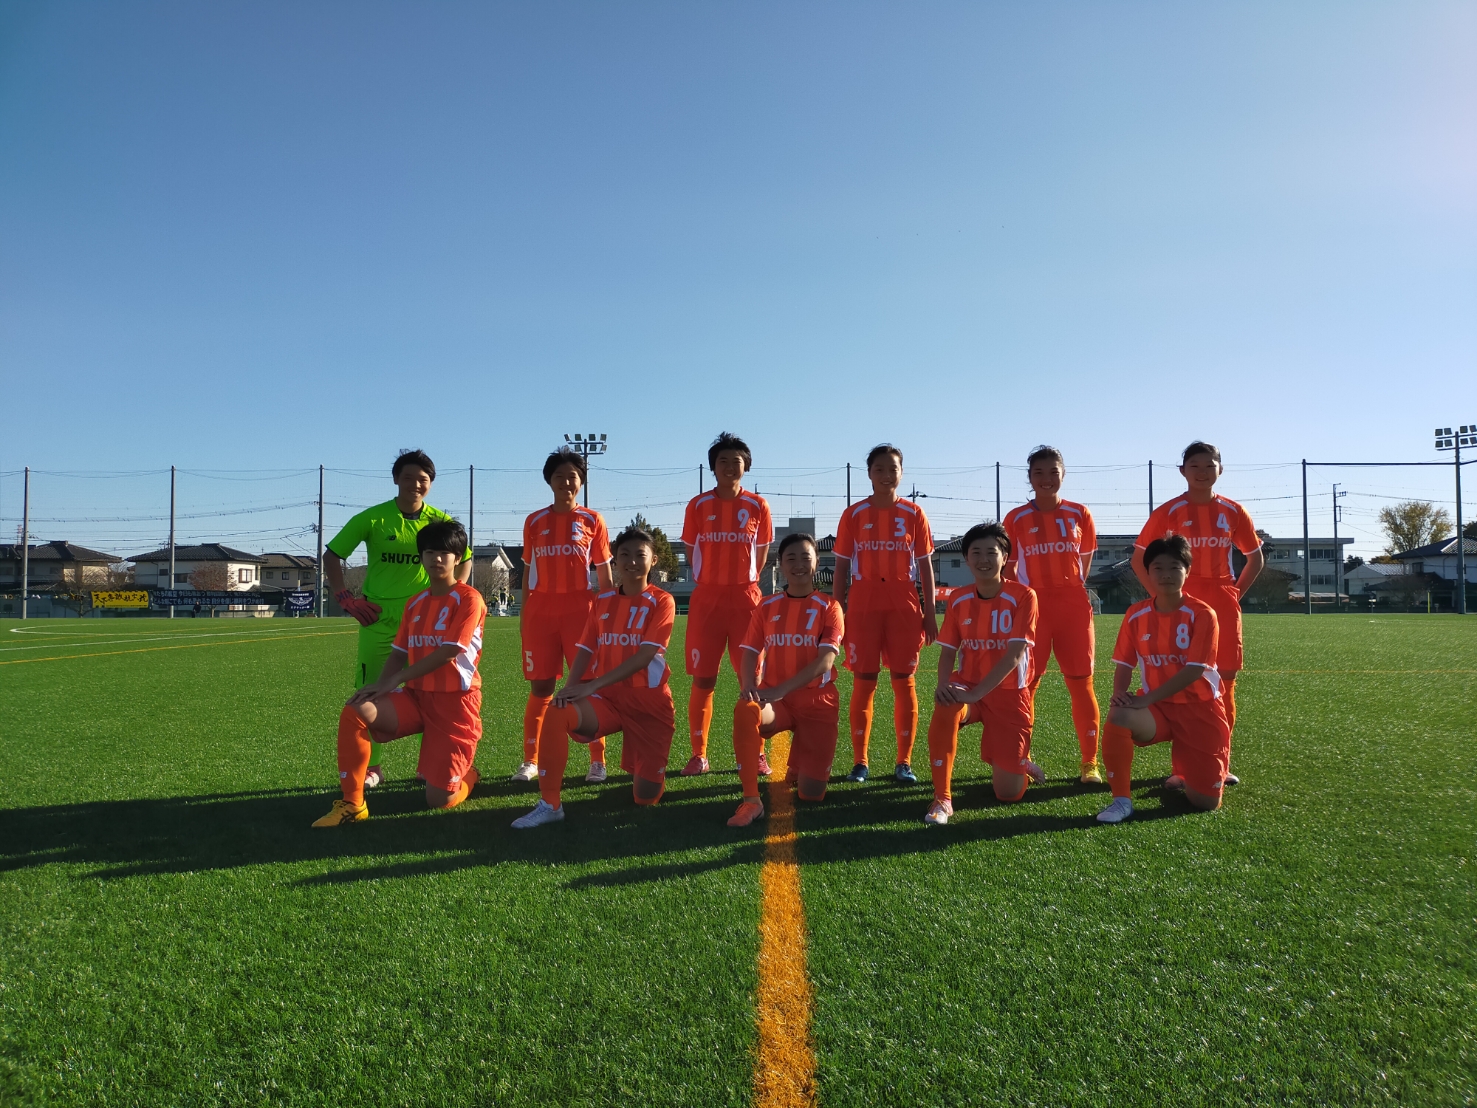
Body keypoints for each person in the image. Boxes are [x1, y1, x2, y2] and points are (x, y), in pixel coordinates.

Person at [314, 520, 487, 826]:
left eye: (445, 553)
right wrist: (380, 686)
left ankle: (468, 775)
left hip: (454, 706)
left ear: (458, 558)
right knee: (357, 710)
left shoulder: (469, 598)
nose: (437, 558)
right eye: (430, 551)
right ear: (420, 556)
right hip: (416, 698)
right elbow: (399, 653)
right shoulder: (416, 602)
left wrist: (396, 679)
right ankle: (353, 804)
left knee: (439, 801)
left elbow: (449, 652)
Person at [511, 526, 677, 829]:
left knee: (645, 797)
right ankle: (550, 803)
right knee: (556, 709)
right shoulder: (602, 600)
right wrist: (572, 686)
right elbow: (586, 647)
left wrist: (594, 684)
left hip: (649, 703)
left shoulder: (662, 601)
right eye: (624, 554)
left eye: (640, 555)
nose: (632, 561)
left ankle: (647, 771)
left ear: (653, 561)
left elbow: (644, 656)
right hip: (609, 701)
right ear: (614, 560)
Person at [324, 449, 471, 789]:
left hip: (427, 622)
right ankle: (374, 767)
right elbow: (332, 555)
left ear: (430, 485)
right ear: (396, 480)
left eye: (423, 480)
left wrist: (455, 592)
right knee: (370, 693)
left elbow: (464, 556)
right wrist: (344, 597)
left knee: (432, 693)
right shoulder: (373, 518)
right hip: (379, 619)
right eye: (408, 478)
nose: (415, 485)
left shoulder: (439, 521)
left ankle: (429, 766)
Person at [1134, 442, 1263, 785]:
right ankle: (1183, 768)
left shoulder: (1234, 511)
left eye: (1210, 465)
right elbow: (1139, 558)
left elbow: (1255, 557)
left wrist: (1234, 593)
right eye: (1195, 466)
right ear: (1182, 471)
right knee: (1186, 688)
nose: (1202, 472)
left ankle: (1220, 762)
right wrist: (1163, 598)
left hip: (1221, 603)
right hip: (1182, 603)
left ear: (1220, 469)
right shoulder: (1169, 511)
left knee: (1225, 683)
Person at [1098, 535, 1230, 824]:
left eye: (1175, 567)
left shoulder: (1203, 614)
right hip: (1159, 710)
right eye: (1158, 568)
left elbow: (1195, 669)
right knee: (1119, 714)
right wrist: (1120, 694)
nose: (1166, 575)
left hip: (1200, 710)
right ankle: (1121, 800)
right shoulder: (1136, 614)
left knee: (1205, 803)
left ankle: (1189, 769)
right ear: (1147, 572)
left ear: (1187, 570)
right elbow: (1124, 664)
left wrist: (1146, 698)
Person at [923, 523, 1043, 825]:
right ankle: (942, 799)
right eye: (976, 552)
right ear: (966, 559)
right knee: (946, 704)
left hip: (1009, 694)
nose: (983, 559)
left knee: (1008, 794)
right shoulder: (959, 599)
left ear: (1005, 558)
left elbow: (1015, 655)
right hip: (968, 689)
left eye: (992, 552)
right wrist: (943, 685)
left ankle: (1017, 761)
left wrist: (977, 693)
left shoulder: (1024, 596)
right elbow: (949, 650)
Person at [832, 444, 937, 784]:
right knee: (864, 683)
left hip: (903, 602)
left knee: (904, 683)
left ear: (901, 473)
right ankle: (860, 762)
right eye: (879, 468)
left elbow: (925, 568)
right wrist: (837, 611)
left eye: (892, 468)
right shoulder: (853, 515)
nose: (886, 474)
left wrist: (930, 612)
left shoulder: (914, 514)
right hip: (862, 604)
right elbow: (841, 568)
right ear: (869, 474)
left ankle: (903, 762)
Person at [727, 533, 845, 828]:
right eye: (790, 558)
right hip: (776, 702)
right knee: (745, 709)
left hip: (818, 702)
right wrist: (748, 686)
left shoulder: (830, 607)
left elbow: (825, 662)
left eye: (806, 557)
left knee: (811, 794)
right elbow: (750, 652)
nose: (798, 564)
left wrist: (779, 689)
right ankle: (751, 802)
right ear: (780, 565)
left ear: (817, 563)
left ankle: (798, 764)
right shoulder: (767, 606)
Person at [513, 448, 615, 785]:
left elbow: (604, 574)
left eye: (572, 476)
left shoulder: (592, 520)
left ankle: (597, 761)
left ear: (580, 482)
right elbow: (528, 575)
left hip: (581, 613)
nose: (566, 482)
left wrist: (608, 615)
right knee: (540, 688)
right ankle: (530, 759)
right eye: (559, 476)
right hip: (541, 614)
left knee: (585, 686)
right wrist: (526, 617)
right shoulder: (534, 521)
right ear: (549, 481)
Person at [1003, 446, 1102, 783]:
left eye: (1053, 472)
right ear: (1030, 478)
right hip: (1033, 611)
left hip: (1073, 607)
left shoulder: (1080, 514)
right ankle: (1021, 758)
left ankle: (1090, 763)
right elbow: (1009, 568)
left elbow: (1084, 562)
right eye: (1038, 473)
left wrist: (1068, 588)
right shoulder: (1015, 518)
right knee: (1026, 686)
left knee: (1081, 685)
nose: (1046, 479)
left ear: (1063, 474)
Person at [679, 432, 775, 776]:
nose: (730, 467)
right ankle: (699, 754)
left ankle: (754, 754)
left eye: (737, 461)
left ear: (745, 467)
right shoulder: (698, 505)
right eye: (723, 461)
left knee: (751, 679)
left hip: (747, 599)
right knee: (703, 679)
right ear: (713, 468)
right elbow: (691, 551)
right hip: (707, 600)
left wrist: (741, 580)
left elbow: (761, 554)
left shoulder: (758, 506)